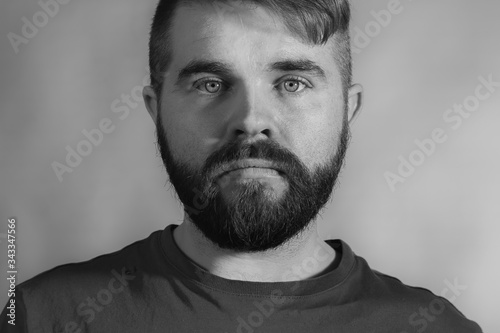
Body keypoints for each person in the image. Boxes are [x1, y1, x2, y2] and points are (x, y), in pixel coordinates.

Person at [1, 0, 483, 332]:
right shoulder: (40, 317)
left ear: (347, 110)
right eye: (210, 84)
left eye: (293, 83)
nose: (251, 122)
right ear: (155, 108)